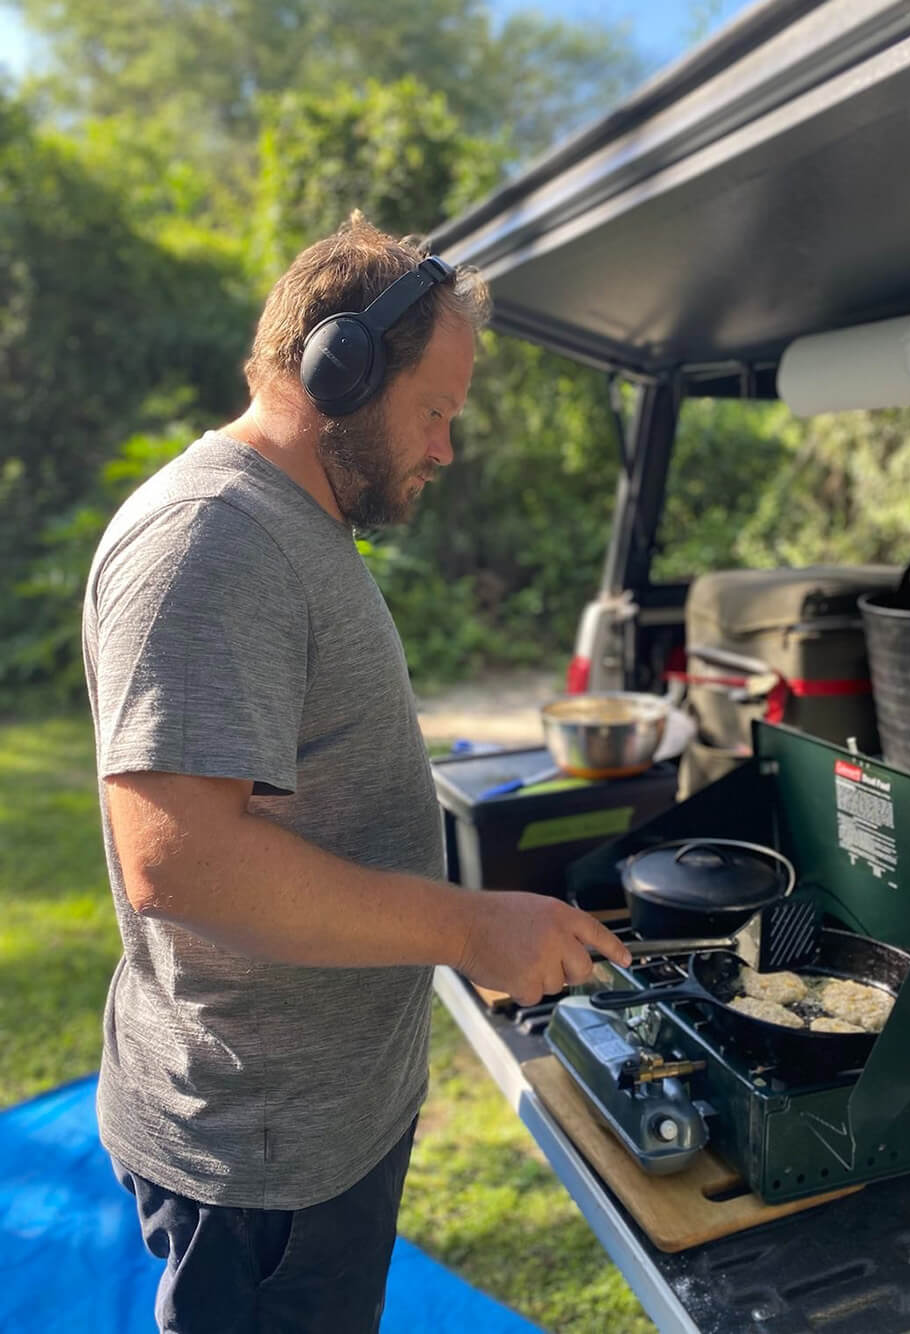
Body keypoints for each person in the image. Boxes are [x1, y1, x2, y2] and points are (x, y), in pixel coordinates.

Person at [82, 211, 631, 1334]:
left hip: (318, 1128)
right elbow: (180, 862)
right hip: (260, 1167)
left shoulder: (291, 525)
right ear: (339, 367)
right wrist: (467, 926)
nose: (443, 447)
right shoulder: (211, 538)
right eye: (433, 411)